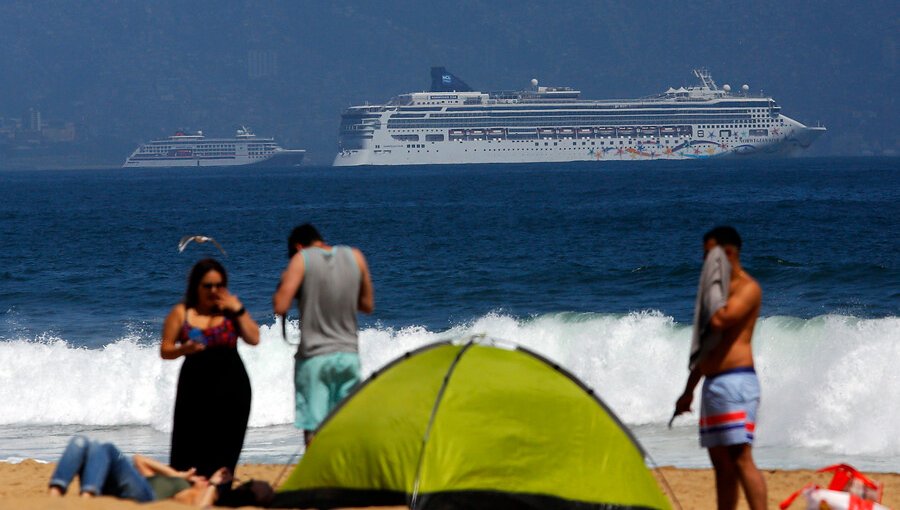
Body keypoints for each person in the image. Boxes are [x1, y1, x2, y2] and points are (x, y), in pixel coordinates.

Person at [674, 226, 768, 510]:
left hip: (736, 383)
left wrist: (711, 292)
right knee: (721, 464)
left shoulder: (748, 288)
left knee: (741, 457)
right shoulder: (716, 292)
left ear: (727, 253)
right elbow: (708, 347)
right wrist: (688, 392)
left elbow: (721, 321)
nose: (704, 262)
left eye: (708, 255)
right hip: (713, 384)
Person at [273, 223, 374, 446]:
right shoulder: (356, 257)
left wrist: (285, 281)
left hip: (315, 358)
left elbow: (280, 306)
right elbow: (367, 305)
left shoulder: (302, 259)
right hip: (348, 355)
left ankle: (318, 479)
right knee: (346, 427)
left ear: (299, 247)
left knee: (314, 431)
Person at [161, 258, 260, 480]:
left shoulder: (231, 312)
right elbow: (165, 350)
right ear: (196, 286)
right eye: (208, 286)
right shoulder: (182, 313)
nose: (214, 290)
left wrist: (239, 309)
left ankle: (219, 493)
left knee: (224, 455)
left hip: (233, 390)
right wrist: (183, 349)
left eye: (219, 285)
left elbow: (254, 338)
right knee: (187, 455)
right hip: (194, 390)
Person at [47, 434, 229, 506]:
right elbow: (138, 459)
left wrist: (212, 484)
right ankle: (53, 495)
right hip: (123, 488)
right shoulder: (176, 481)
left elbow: (202, 507)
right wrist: (177, 474)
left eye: (206, 481)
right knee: (83, 442)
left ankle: (87, 499)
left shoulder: (192, 494)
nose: (203, 478)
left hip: (145, 496)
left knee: (108, 448)